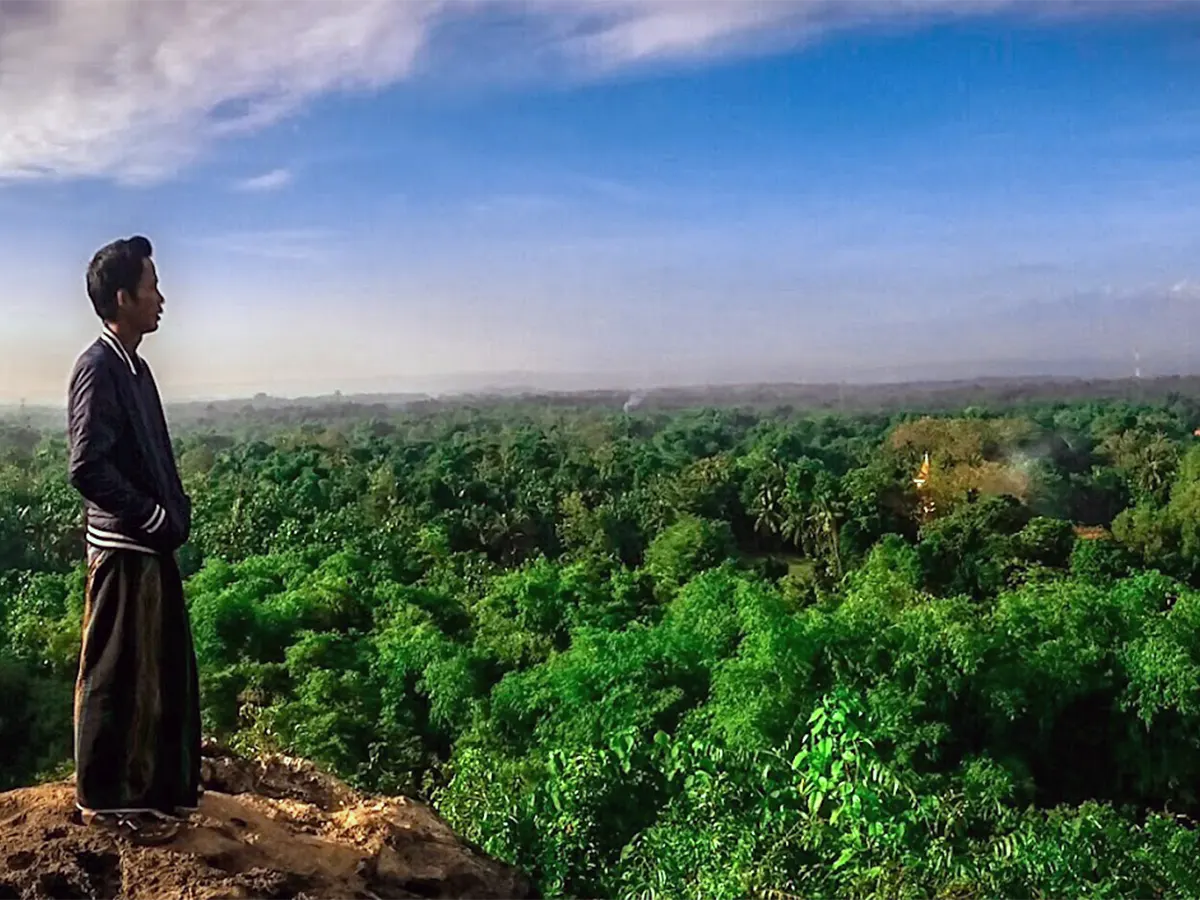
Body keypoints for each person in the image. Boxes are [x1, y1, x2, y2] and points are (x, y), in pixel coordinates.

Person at [66, 235, 201, 844]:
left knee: (155, 670)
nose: (161, 298)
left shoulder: (134, 367)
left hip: (147, 548)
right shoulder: (97, 368)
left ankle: (149, 791)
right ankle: (104, 797)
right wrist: (149, 515)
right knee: (114, 672)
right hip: (123, 549)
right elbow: (87, 467)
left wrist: (170, 512)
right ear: (123, 297)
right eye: (152, 287)